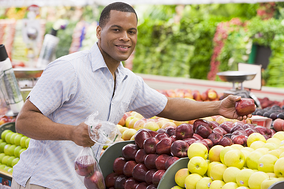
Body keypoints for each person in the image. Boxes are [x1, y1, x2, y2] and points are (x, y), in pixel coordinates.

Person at [11, 2, 251, 189]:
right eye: (116, 29)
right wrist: (71, 132)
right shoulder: (69, 69)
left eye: (131, 31)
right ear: (99, 31)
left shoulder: (129, 81)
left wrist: (218, 107)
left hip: (82, 182)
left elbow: (169, 106)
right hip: (43, 181)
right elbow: (24, 121)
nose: (125, 37)